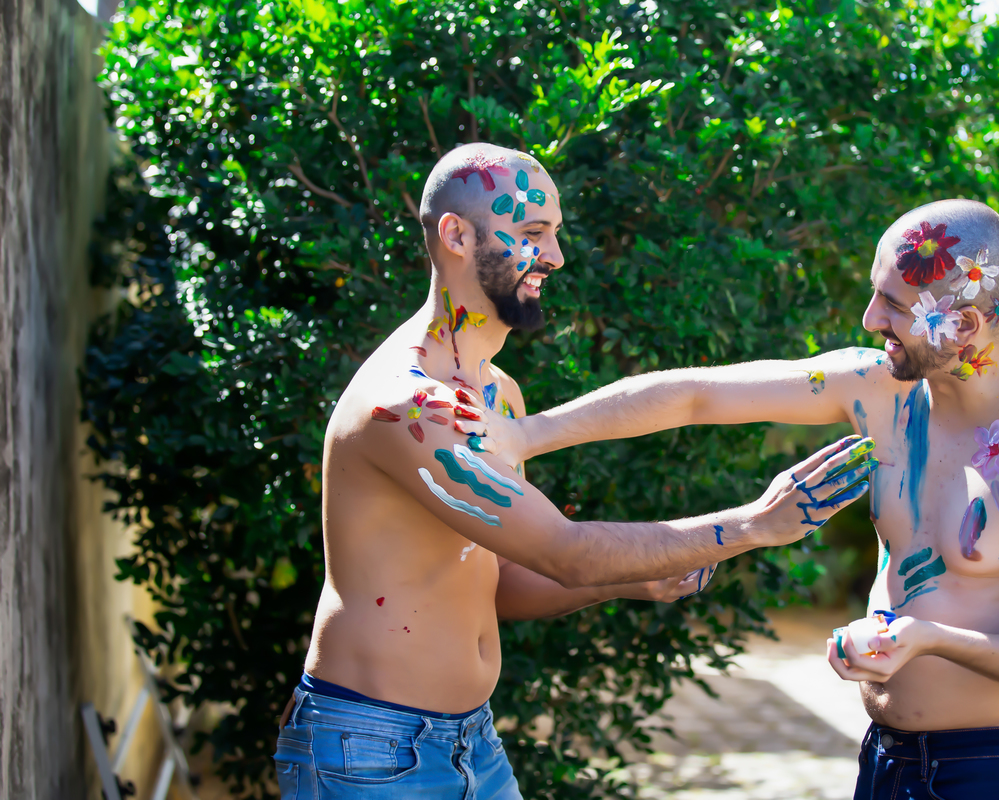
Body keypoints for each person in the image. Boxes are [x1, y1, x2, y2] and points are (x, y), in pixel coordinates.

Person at [272, 142, 874, 798]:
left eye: (555, 233)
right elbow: (567, 552)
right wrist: (755, 524)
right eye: (534, 232)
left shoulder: (497, 395)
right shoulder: (410, 406)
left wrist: (632, 580)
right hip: (369, 749)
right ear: (457, 235)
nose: (556, 256)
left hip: (471, 741)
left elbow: (502, 583)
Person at [477, 199, 999, 800]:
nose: (870, 319)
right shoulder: (879, 387)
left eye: (893, 305)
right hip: (886, 758)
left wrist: (928, 640)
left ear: (967, 324)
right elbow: (695, 395)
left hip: (998, 769)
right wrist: (525, 435)